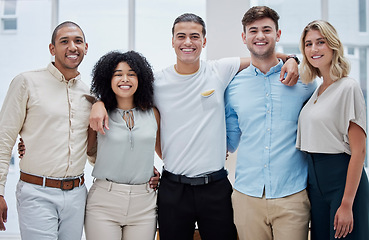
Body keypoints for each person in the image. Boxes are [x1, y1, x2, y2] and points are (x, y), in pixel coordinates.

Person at [89, 13, 299, 240]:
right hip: (173, 188)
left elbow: (262, 57)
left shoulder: (220, 70)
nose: (187, 42)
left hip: (215, 186)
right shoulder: (157, 83)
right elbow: (124, 95)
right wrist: (99, 102)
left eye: (194, 36)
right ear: (172, 41)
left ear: (204, 41)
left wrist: (291, 58)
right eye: (181, 36)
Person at [225, 6, 316, 240]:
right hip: (247, 196)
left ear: (278, 34)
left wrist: (294, 58)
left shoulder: (304, 82)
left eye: (267, 29)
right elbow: (229, 140)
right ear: (244, 37)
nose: (260, 36)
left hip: (292, 195)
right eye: (253, 30)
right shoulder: (233, 87)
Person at [0, 21, 90, 239]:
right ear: (52, 49)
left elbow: (94, 150)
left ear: (86, 47)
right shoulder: (26, 82)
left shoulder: (89, 94)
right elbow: (4, 138)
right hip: (37, 192)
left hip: (78, 195)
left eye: (78, 41)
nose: (72, 47)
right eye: (64, 41)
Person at [296, 20, 369, 240]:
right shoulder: (317, 91)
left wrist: (347, 204)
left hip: (342, 180)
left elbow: (359, 151)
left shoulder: (348, 87)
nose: (314, 49)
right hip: (314, 182)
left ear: (333, 46)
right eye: (308, 44)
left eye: (320, 42)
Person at [83, 50, 161, 240]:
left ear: (140, 78)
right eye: (118, 74)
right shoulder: (98, 113)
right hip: (104, 201)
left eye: (131, 74)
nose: (125, 79)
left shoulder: (153, 113)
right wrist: (97, 103)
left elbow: (165, 152)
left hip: (144, 202)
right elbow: (83, 150)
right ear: (107, 79)